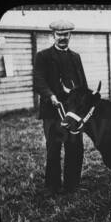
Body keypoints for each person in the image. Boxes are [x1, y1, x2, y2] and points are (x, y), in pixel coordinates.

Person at [33, 20, 88, 194]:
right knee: (53, 150)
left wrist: (84, 103)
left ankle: (72, 185)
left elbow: (82, 84)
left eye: (66, 34)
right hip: (52, 111)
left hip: (72, 113)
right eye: (59, 34)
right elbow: (39, 81)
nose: (63, 38)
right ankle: (52, 186)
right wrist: (51, 96)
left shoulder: (75, 57)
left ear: (70, 35)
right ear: (53, 35)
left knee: (75, 147)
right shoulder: (43, 56)